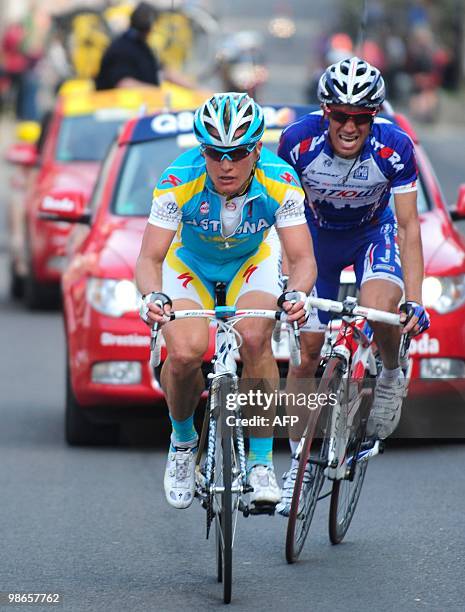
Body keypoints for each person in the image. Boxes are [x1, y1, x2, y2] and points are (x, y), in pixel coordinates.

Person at [136, 92, 317, 510]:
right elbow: (149, 257)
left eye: (237, 153)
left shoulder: (281, 180)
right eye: (215, 154)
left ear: (256, 150)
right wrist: (152, 296)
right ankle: (183, 443)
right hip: (191, 266)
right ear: (203, 151)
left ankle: (260, 463)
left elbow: (304, 257)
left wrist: (298, 295)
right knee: (184, 352)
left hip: (250, 262)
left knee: (255, 337)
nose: (226, 164)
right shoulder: (177, 180)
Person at [276, 57, 430, 516]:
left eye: (360, 117)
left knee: (380, 307)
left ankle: (387, 372)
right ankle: (296, 473)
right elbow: (280, 220)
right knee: (305, 353)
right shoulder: (296, 142)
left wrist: (416, 301)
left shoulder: (395, 147)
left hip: (372, 234)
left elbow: (408, 229)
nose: (348, 126)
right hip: (314, 238)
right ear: (325, 113)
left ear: (374, 116)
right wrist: (288, 285)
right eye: (339, 115)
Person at [95, 2, 161, 90]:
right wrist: (157, 93)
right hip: (115, 102)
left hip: (138, 101)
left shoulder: (140, 46)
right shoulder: (122, 48)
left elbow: (164, 71)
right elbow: (124, 83)